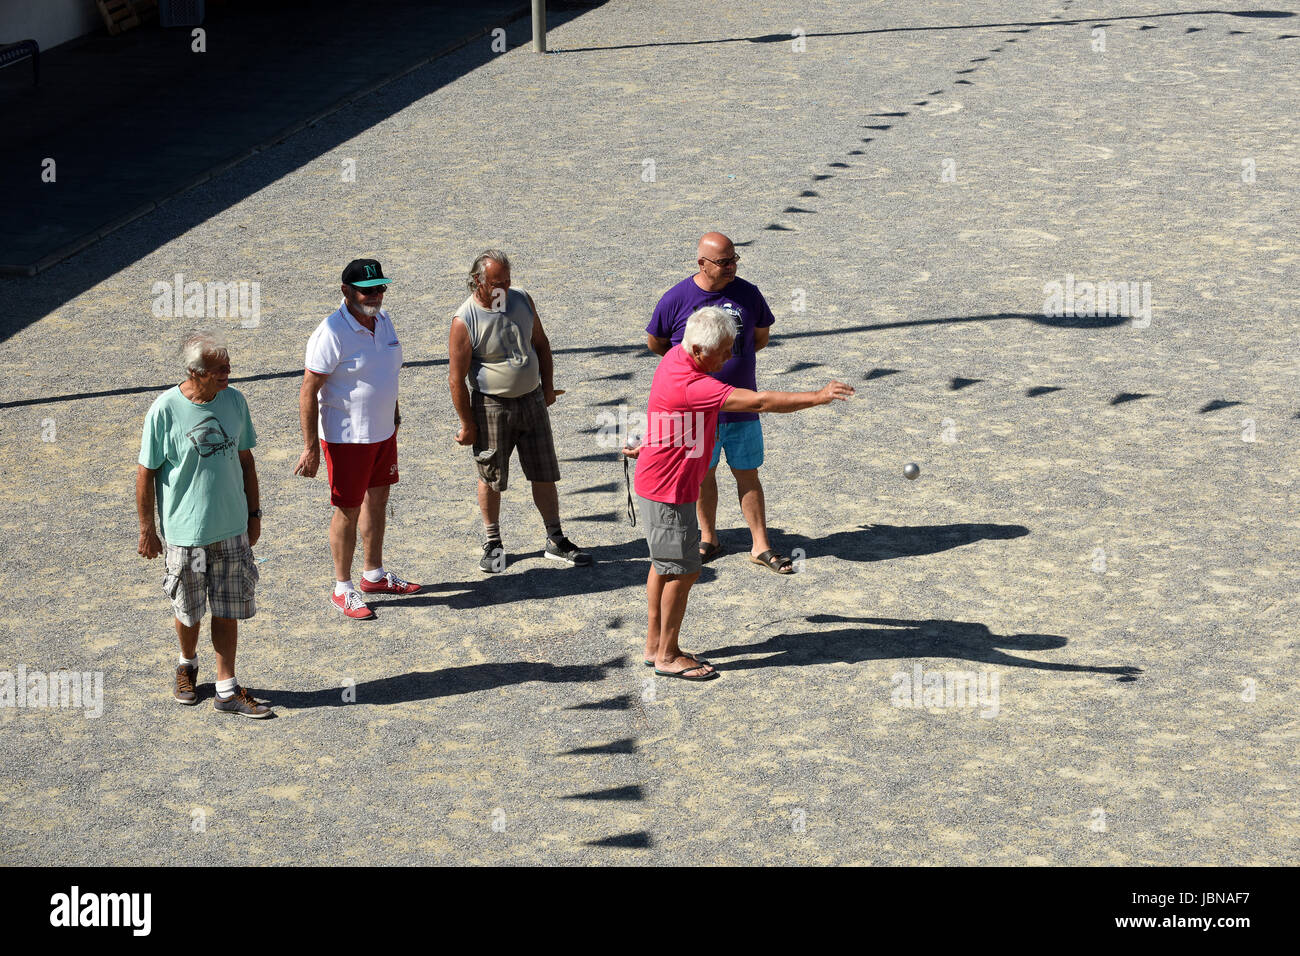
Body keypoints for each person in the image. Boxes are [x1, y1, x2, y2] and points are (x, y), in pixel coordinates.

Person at [626, 307, 854, 680]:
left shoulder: (674, 359)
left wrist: (651, 442)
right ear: (699, 350)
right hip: (669, 491)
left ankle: (656, 646)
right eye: (725, 350)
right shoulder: (695, 384)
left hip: (659, 484)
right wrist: (817, 396)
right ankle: (666, 656)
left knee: (664, 567)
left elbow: (667, 413)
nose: (731, 356)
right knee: (682, 573)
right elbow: (760, 402)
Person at [137, 331, 270, 717]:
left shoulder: (234, 401)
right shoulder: (164, 410)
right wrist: (148, 530)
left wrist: (254, 514)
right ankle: (187, 663)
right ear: (195, 373)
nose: (228, 373)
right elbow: (145, 473)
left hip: (231, 530)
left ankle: (226, 689)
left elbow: (246, 461)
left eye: (228, 366)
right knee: (189, 608)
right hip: (186, 536)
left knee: (227, 607)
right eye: (219, 369)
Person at [646, 232, 793, 572]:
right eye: (724, 262)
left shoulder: (748, 293)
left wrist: (731, 364)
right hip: (698, 412)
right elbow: (657, 342)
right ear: (702, 263)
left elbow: (760, 337)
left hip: (740, 409)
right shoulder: (677, 298)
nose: (732, 267)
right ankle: (708, 538)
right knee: (703, 474)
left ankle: (760, 545)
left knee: (748, 473)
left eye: (734, 260)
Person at [448, 249, 590, 572]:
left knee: (544, 471)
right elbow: (456, 379)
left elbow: (541, 343)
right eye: (497, 283)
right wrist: (467, 424)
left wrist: (548, 386)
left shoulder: (522, 299)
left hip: (532, 400)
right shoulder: (464, 320)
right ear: (476, 283)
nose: (504, 289)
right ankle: (493, 543)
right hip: (490, 406)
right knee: (491, 475)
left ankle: (555, 538)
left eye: (508, 281)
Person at [294, 258, 420, 620]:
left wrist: (393, 412)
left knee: (377, 501)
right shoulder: (330, 333)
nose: (377, 295)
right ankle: (342, 588)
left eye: (381, 288)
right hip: (347, 439)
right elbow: (308, 390)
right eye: (368, 290)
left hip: (383, 433)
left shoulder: (383, 320)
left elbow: (387, 369)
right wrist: (310, 447)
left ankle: (373, 575)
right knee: (347, 510)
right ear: (346, 292)